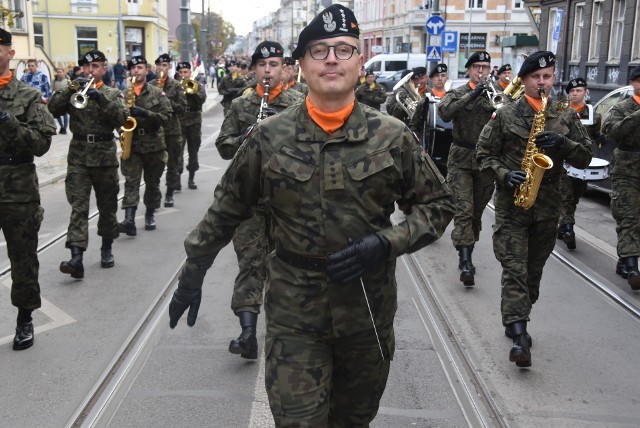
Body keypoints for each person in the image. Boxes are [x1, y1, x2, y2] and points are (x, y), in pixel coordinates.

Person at [167, 5, 455, 426]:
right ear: (300, 65)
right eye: (320, 51)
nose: (333, 59)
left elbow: (440, 206)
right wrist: (193, 271)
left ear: (361, 61)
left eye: (344, 49)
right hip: (294, 315)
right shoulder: (269, 137)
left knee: (352, 421)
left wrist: (387, 242)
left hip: (366, 312)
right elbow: (226, 209)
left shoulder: (391, 136)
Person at [477, 51, 592, 367]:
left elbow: (585, 157)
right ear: (524, 80)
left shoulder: (564, 113)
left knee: (532, 273)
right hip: (512, 207)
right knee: (514, 269)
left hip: (547, 208)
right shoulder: (506, 115)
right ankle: (518, 335)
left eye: (548, 77)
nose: (543, 83)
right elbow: (483, 156)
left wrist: (564, 144)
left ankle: (519, 316)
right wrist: (504, 174)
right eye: (536, 78)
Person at [214, 41, 304, 360]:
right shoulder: (241, 105)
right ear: (254, 69)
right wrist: (243, 138)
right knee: (250, 263)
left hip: (288, 199)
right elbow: (223, 145)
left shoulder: (300, 102)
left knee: (289, 266)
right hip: (250, 198)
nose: (268, 71)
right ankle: (248, 332)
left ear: (284, 68)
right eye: (263, 66)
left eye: (275, 65)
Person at [48, 50, 129, 278]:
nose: (90, 70)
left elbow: (123, 120)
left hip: (104, 158)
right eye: (87, 66)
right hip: (79, 158)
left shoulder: (112, 93)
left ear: (104, 69)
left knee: (107, 207)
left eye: (95, 66)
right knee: (78, 207)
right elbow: (52, 109)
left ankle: (106, 248)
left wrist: (100, 98)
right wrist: (70, 89)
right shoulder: (74, 91)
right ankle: (76, 258)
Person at [0, 28, 57, 350]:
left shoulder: (29, 96)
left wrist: (7, 121)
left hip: (18, 190)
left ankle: (25, 318)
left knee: (22, 258)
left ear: (10, 53)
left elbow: (40, 144)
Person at [437, 51, 497, 286]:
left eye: (485, 66)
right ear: (469, 70)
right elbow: (445, 112)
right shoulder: (459, 92)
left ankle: (468, 249)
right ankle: (465, 261)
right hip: (461, 158)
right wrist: (472, 94)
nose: (481, 71)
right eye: (477, 67)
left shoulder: (497, 95)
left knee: (476, 214)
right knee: (463, 210)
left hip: (485, 161)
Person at [117, 55, 172, 235]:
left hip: (153, 145)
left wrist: (145, 113)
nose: (136, 71)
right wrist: (122, 130)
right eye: (133, 68)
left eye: (140, 68)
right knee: (131, 182)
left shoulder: (157, 93)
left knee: (152, 183)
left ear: (146, 70)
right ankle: (129, 220)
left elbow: (167, 117)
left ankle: (149, 214)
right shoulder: (124, 95)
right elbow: (116, 119)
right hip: (132, 145)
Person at [602, 64, 640, 290]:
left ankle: (624, 260)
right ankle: (633, 266)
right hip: (627, 171)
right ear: (633, 83)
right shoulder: (622, 108)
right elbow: (612, 131)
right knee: (628, 218)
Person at [557, 77, 603, 250]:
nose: (575, 94)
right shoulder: (561, 111)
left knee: (575, 196)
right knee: (565, 196)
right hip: (564, 162)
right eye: (572, 91)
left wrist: (600, 138)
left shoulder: (593, 114)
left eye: (579, 91)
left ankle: (562, 226)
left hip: (582, 162)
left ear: (585, 92)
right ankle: (568, 229)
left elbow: (596, 133)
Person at [148, 53, 186, 208]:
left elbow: (182, 109)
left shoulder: (176, 85)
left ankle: (169, 193)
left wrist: (165, 100)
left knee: (172, 164)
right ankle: (154, 196)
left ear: (169, 67)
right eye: (159, 65)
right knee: (154, 168)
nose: (161, 68)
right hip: (155, 131)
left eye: (164, 65)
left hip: (171, 131)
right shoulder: (150, 84)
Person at [177, 61, 207, 191]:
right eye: (181, 72)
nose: (184, 75)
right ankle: (177, 180)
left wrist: (192, 91)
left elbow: (202, 99)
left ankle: (191, 178)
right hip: (180, 122)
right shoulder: (176, 87)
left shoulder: (197, 85)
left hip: (194, 122)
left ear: (190, 73)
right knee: (178, 152)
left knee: (193, 152)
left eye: (186, 72)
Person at [51, 68, 69, 134]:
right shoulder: (54, 81)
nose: (59, 73)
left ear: (63, 73)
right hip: (57, 98)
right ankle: (61, 126)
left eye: (60, 72)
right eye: (58, 72)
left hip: (65, 98)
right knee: (57, 114)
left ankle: (65, 128)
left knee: (65, 114)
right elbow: (52, 89)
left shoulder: (67, 80)